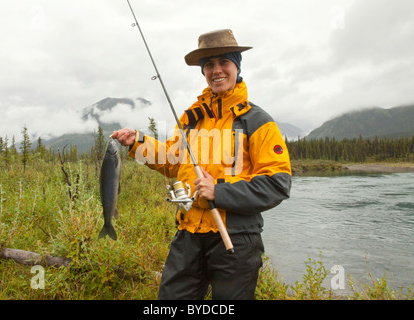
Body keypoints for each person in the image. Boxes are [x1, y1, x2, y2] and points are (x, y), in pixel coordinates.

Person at [111, 29, 291, 300]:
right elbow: (172, 162)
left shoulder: (257, 121)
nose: (216, 70)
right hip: (188, 233)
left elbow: (278, 184)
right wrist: (137, 141)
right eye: (209, 65)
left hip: (237, 238)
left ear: (236, 67)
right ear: (203, 72)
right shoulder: (191, 118)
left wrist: (219, 191)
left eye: (223, 63)